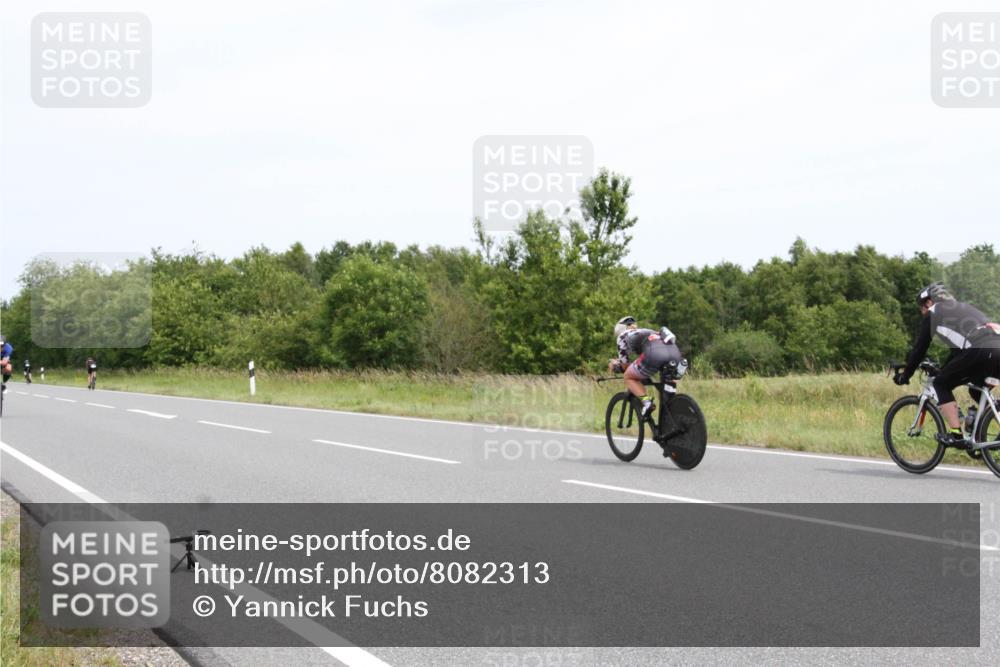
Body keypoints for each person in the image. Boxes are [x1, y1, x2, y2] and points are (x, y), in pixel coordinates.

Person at [896, 282, 1000, 447]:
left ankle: (956, 436)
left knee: (940, 384)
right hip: (995, 347)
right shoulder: (961, 308)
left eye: (921, 307)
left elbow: (919, 349)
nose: (922, 312)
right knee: (976, 389)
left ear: (929, 302)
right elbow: (958, 353)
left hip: (980, 348)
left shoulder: (934, 312)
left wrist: (905, 375)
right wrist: (943, 370)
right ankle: (980, 436)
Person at [608, 317, 686, 420]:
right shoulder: (647, 331)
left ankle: (647, 402)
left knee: (628, 377)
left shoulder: (622, 336)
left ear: (620, 330)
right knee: (667, 395)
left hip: (654, 353)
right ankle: (670, 420)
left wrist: (616, 366)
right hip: (674, 352)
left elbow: (625, 366)